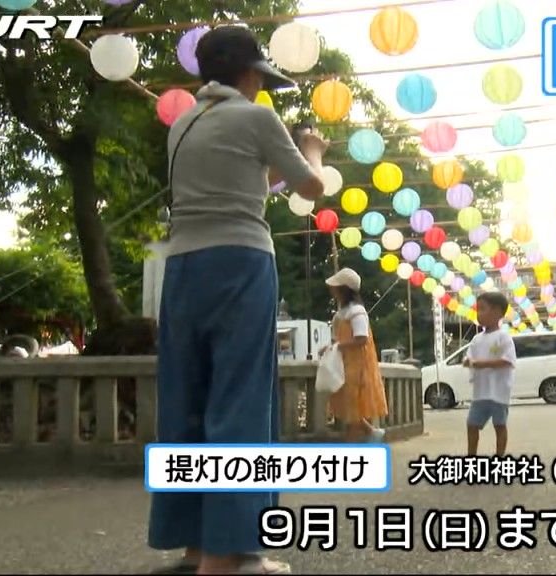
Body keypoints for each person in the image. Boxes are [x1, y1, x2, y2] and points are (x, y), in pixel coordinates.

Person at [147, 25, 328, 576]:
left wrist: (276, 164)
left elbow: (245, 175)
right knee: (241, 399)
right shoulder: (257, 116)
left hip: (182, 267)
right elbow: (310, 186)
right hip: (240, 261)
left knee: (188, 400)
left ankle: (195, 544)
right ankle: (229, 555)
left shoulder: (182, 126)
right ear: (250, 74)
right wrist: (313, 147)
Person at [320, 268, 389, 443]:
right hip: (346, 364)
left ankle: (351, 447)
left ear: (343, 289)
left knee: (352, 411)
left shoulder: (357, 311)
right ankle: (373, 433)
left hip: (357, 366)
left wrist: (337, 346)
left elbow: (361, 338)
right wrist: (332, 347)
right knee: (350, 408)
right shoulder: (344, 312)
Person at [462, 292, 516, 456]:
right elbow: (470, 357)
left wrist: (481, 364)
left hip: (499, 392)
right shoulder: (477, 339)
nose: (479, 314)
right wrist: (468, 362)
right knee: (472, 425)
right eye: (478, 310)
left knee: (499, 425)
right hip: (481, 392)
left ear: (497, 312)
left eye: (483, 309)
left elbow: (508, 360)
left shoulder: (503, 337)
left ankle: (499, 457)